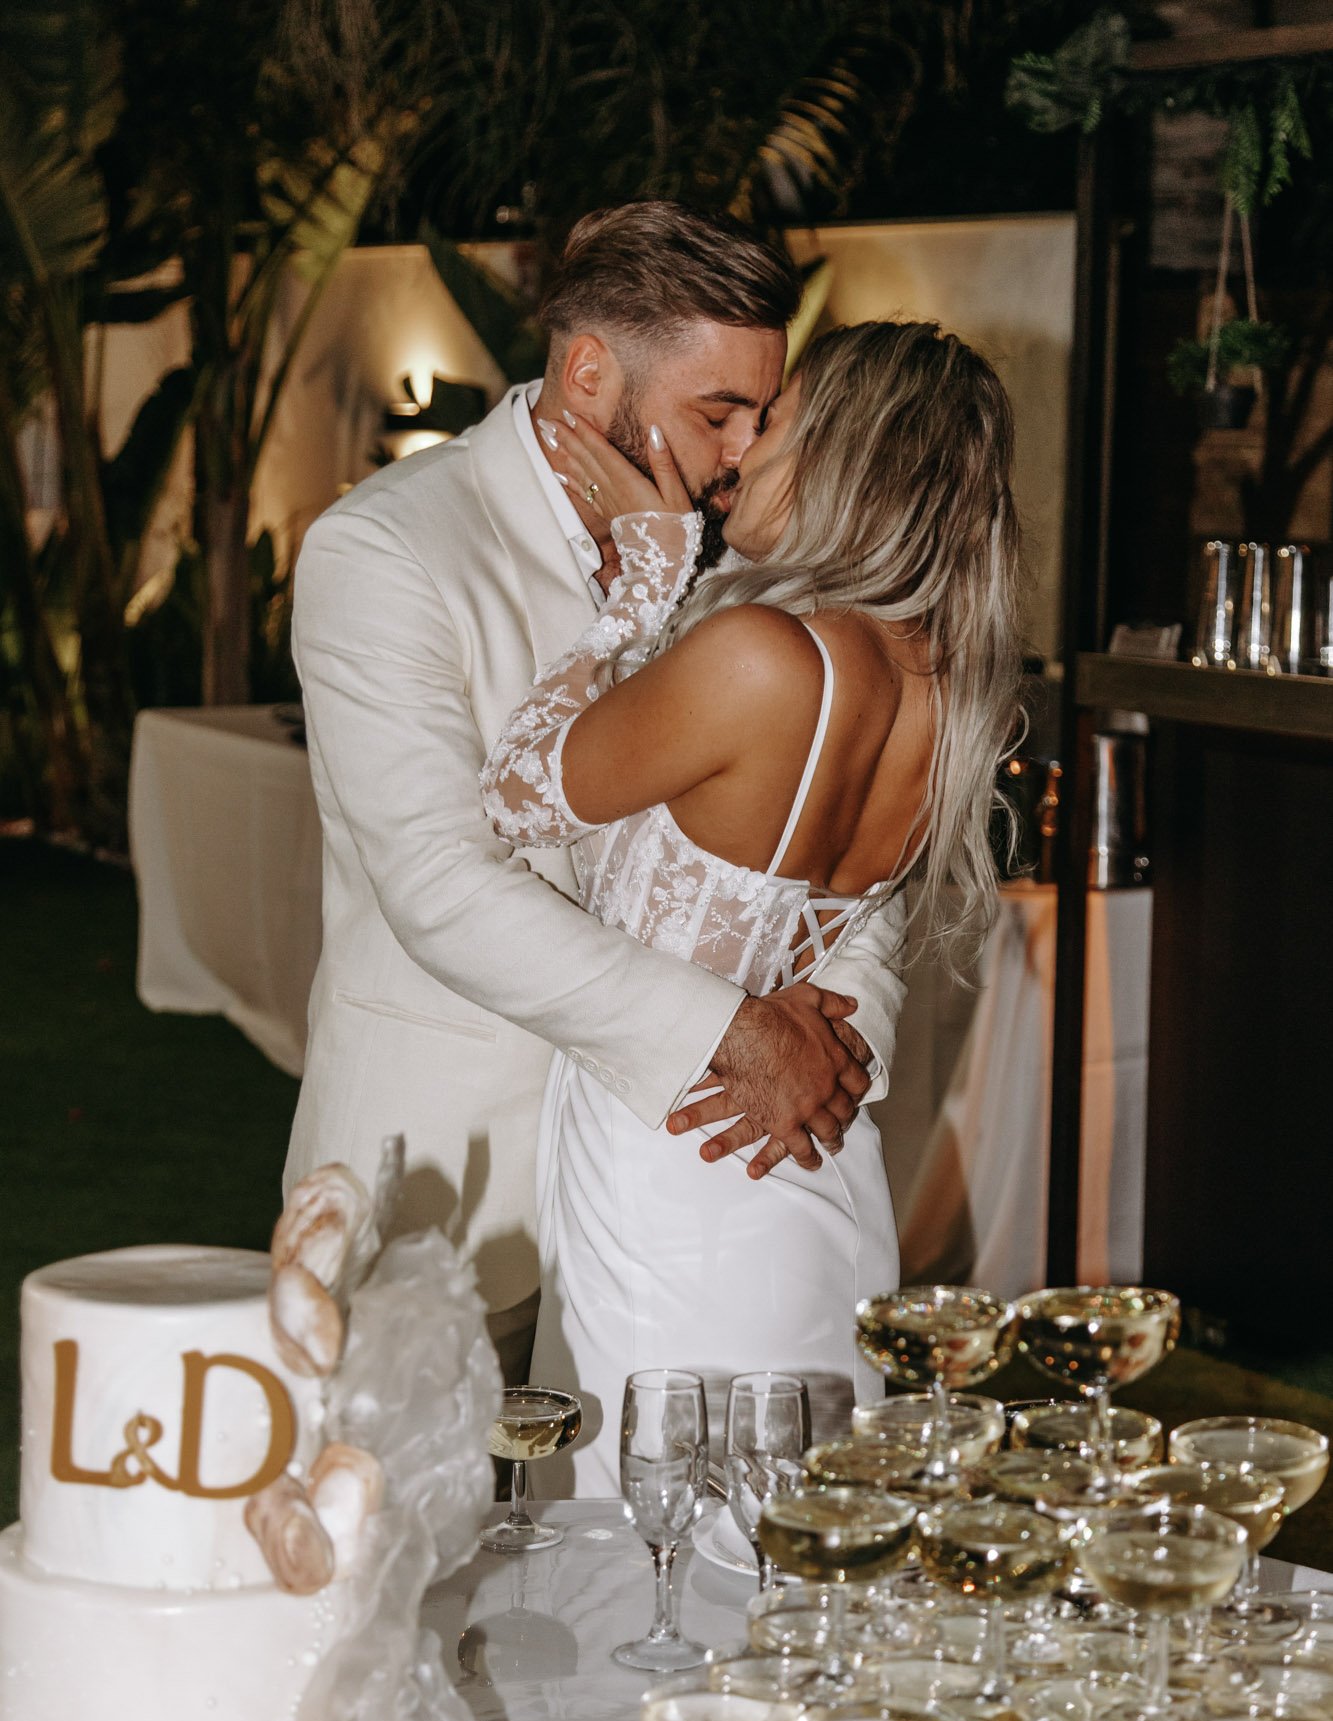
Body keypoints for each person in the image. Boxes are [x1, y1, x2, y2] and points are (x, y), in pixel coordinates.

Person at [285, 203, 910, 1383]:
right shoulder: (386, 549)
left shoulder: (747, 557)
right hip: (455, 1184)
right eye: (715, 412)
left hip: (683, 1176)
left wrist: (837, 1032)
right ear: (587, 374)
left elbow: (842, 832)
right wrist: (728, 1032)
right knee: (424, 1552)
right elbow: (438, 886)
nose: (742, 452)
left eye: (758, 417)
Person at [482, 318, 1023, 1493]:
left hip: (672, 1154)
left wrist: (642, 576)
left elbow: (520, 791)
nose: (740, 449)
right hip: (813, 1164)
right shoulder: (944, 687)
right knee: (801, 1528)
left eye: (772, 421)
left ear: (840, 453)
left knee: (665, 1537)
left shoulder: (758, 657)